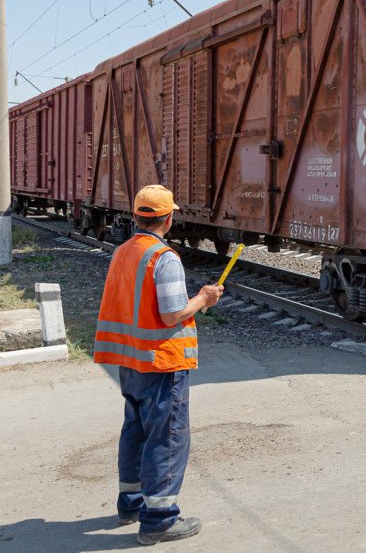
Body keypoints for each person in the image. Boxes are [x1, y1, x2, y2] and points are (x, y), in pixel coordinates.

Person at [94, 184, 223, 545]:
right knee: (166, 438)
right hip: (161, 363)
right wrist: (203, 299)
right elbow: (171, 315)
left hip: (130, 361)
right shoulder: (163, 258)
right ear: (169, 219)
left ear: (136, 216)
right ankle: (160, 518)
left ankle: (131, 503)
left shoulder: (123, 252)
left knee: (135, 432)